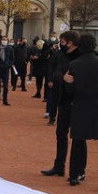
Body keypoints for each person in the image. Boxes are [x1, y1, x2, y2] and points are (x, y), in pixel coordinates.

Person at [64, 33, 98, 189]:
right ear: (94, 45)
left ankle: (74, 176)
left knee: (77, 141)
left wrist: (67, 82)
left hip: (80, 105)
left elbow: (70, 89)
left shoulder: (74, 65)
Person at [40, 31, 80, 178]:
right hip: (63, 99)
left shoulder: (81, 56)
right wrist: (62, 77)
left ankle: (78, 170)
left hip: (78, 101)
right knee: (60, 134)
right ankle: (59, 166)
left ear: (70, 42)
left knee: (78, 136)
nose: (60, 43)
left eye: (63, 41)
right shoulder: (60, 55)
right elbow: (55, 71)